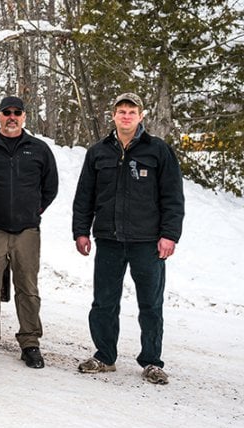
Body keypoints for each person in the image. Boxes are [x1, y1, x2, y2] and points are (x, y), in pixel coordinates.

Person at [72, 92, 185, 385]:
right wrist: (81, 231)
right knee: (104, 302)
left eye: (131, 112)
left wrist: (169, 235)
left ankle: (152, 361)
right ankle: (105, 356)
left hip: (147, 242)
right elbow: (84, 196)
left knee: (150, 304)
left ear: (141, 115)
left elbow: (173, 198)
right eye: (121, 111)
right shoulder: (98, 152)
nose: (126, 116)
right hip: (109, 239)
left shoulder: (158, 151)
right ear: (113, 115)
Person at [0, 96, 58, 368]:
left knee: (28, 288)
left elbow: (50, 187)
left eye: (17, 112)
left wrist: (32, 209)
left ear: (24, 117)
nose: (11, 116)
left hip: (26, 231)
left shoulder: (39, 149)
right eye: (6, 112)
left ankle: (30, 343)